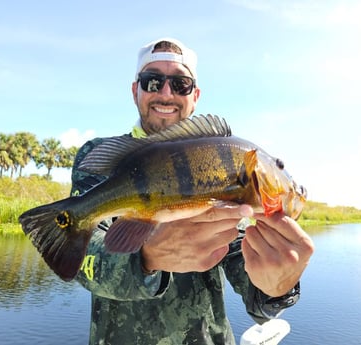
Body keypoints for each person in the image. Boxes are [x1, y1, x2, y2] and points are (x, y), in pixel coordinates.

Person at [71, 37, 314, 345]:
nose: (166, 93)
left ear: (195, 95)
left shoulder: (221, 167)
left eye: (180, 84)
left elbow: (249, 276)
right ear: (136, 90)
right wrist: (146, 257)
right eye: (153, 81)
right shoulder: (102, 157)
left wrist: (276, 287)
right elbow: (80, 260)